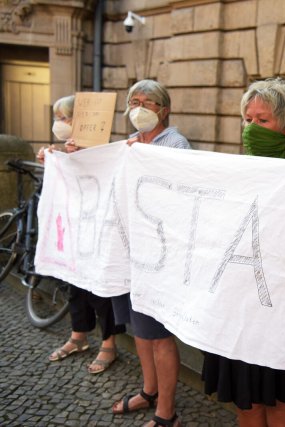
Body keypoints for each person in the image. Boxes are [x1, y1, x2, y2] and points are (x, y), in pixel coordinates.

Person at [201, 77, 285, 427]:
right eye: (248, 120)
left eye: (263, 120)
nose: (252, 128)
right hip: (244, 301)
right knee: (249, 401)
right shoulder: (240, 169)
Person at [105, 80, 190, 427]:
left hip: (160, 256)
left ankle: (166, 411)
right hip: (130, 252)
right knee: (140, 330)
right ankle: (149, 389)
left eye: (148, 102)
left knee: (159, 335)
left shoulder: (176, 145)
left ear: (164, 110)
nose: (139, 107)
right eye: (134, 101)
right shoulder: (128, 145)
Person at [42, 95, 126, 375]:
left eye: (66, 118)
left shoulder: (103, 148)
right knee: (74, 284)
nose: (60, 124)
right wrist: (54, 159)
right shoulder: (69, 148)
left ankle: (109, 343)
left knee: (98, 288)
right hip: (76, 228)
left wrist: (84, 154)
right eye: (58, 118)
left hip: (99, 228)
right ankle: (79, 336)